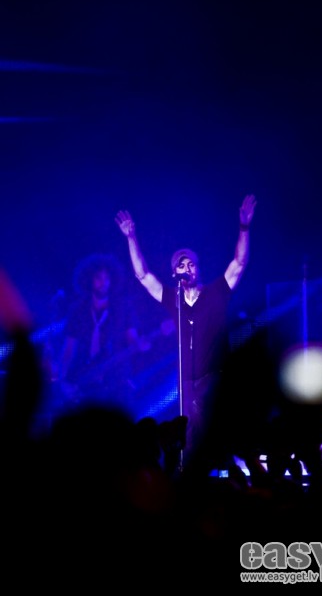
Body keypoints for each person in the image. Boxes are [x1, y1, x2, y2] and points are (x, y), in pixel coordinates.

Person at [115, 194, 257, 471]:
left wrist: (244, 227)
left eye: (191, 263)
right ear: (175, 273)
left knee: (213, 430)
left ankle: (228, 473)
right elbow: (143, 275)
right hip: (187, 380)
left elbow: (239, 263)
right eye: (181, 265)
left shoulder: (216, 293)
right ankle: (195, 479)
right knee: (190, 436)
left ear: (198, 268)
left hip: (213, 375)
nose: (187, 268)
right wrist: (131, 238)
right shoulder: (174, 299)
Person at [55, 253, 141, 414]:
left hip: (117, 379)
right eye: (99, 278)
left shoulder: (123, 307)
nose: (104, 283)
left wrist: (141, 344)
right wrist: (63, 380)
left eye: (107, 278)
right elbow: (68, 349)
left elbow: (132, 338)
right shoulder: (77, 310)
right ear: (89, 280)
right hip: (87, 379)